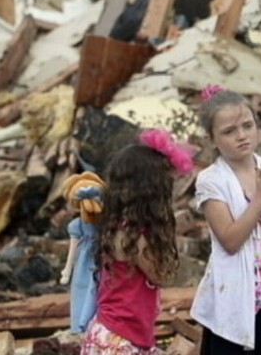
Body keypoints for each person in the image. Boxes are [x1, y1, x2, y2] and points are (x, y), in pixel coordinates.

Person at [191, 87, 261, 355]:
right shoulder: (211, 180)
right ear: (212, 139)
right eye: (229, 131)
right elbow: (230, 240)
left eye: (247, 126)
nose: (242, 136)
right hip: (233, 300)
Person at [81, 129, 194, 355]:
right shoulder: (138, 238)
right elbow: (161, 275)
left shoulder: (117, 227)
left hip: (116, 333)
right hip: (120, 339)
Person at [60, 171, 106, 334]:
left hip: (102, 256)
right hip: (86, 260)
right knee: (83, 288)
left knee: (100, 292)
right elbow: (73, 248)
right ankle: (82, 324)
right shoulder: (77, 225)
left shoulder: (105, 221)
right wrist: (68, 269)